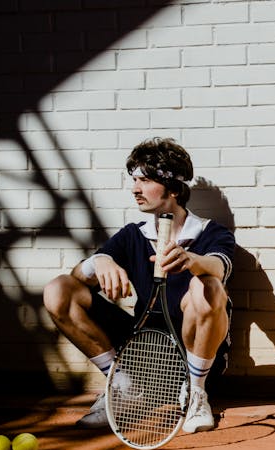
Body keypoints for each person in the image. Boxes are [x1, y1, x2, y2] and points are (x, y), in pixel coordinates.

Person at [43, 137, 235, 433]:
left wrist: (190, 260)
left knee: (206, 286)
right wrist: (101, 259)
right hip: (141, 354)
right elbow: (75, 281)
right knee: (58, 288)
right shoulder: (133, 234)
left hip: (193, 359)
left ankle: (196, 395)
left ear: (172, 188)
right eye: (134, 180)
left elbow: (219, 268)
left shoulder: (212, 233)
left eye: (144, 180)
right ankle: (121, 385)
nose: (135, 189)